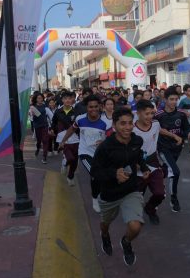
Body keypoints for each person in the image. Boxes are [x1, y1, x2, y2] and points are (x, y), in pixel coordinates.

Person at [90, 107, 150, 266]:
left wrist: (144, 168)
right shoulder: (105, 147)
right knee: (105, 224)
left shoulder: (137, 141)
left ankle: (126, 241)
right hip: (109, 194)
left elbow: (138, 156)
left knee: (136, 226)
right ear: (114, 125)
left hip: (131, 190)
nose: (128, 127)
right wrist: (113, 174)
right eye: (123, 124)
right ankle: (104, 235)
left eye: (130, 123)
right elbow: (95, 171)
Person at [61, 95, 107, 212]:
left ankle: (99, 193)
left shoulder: (105, 122)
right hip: (85, 153)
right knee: (95, 174)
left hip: (101, 155)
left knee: (100, 177)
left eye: (96, 107)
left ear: (100, 107)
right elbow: (72, 129)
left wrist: (104, 141)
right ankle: (95, 198)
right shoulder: (80, 119)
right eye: (91, 107)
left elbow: (110, 137)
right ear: (87, 107)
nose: (93, 109)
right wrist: (63, 140)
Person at [154, 86, 190, 212]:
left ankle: (158, 175)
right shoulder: (158, 115)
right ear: (165, 100)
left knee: (168, 170)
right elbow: (153, 129)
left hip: (177, 148)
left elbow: (187, 127)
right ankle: (174, 198)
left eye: (176, 99)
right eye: (171, 99)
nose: (174, 102)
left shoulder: (181, 114)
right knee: (175, 172)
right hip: (163, 148)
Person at [133, 99, 165, 225]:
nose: (150, 116)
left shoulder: (156, 124)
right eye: (147, 114)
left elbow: (160, 131)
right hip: (136, 164)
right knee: (137, 196)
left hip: (153, 162)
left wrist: (174, 136)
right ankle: (136, 215)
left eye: (152, 113)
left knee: (160, 193)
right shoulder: (131, 129)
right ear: (138, 113)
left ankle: (150, 209)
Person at [52, 91, 79, 186]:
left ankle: (70, 177)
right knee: (70, 158)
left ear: (73, 100)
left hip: (75, 138)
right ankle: (64, 163)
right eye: (65, 98)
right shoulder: (58, 112)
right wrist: (52, 129)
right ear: (62, 100)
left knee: (75, 161)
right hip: (63, 139)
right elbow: (53, 122)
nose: (68, 100)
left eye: (70, 98)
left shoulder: (76, 112)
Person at [30, 93, 49, 164]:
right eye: (38, 98)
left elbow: (50, 115)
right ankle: (38, 148)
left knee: (45, 140)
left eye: (41, 98)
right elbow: (32, 118)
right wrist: (32, 114)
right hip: (37, 126)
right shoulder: (33, 107)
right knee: (39, 140)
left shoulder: (45, 106)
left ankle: (44, 157)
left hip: (45, 125)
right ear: (35, 99)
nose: (40, 99)